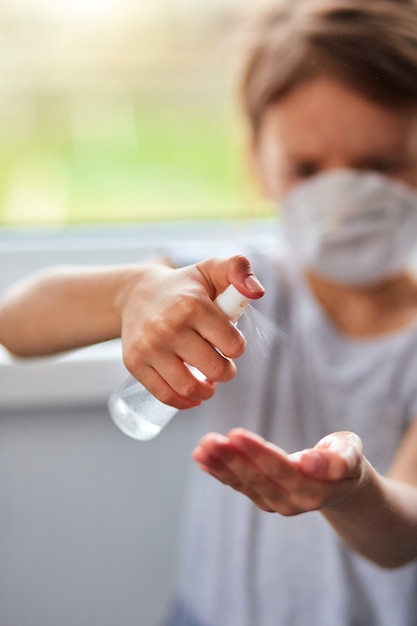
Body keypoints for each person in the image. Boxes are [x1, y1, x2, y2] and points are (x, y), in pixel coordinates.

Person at [2, 0, 417, 623]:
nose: (341, 203)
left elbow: (401, 538)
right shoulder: (234, 283)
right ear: (258, 164)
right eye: (306, 169)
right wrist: (129, 293)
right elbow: (16, 322)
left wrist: (352, 493)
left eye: (378, 166)